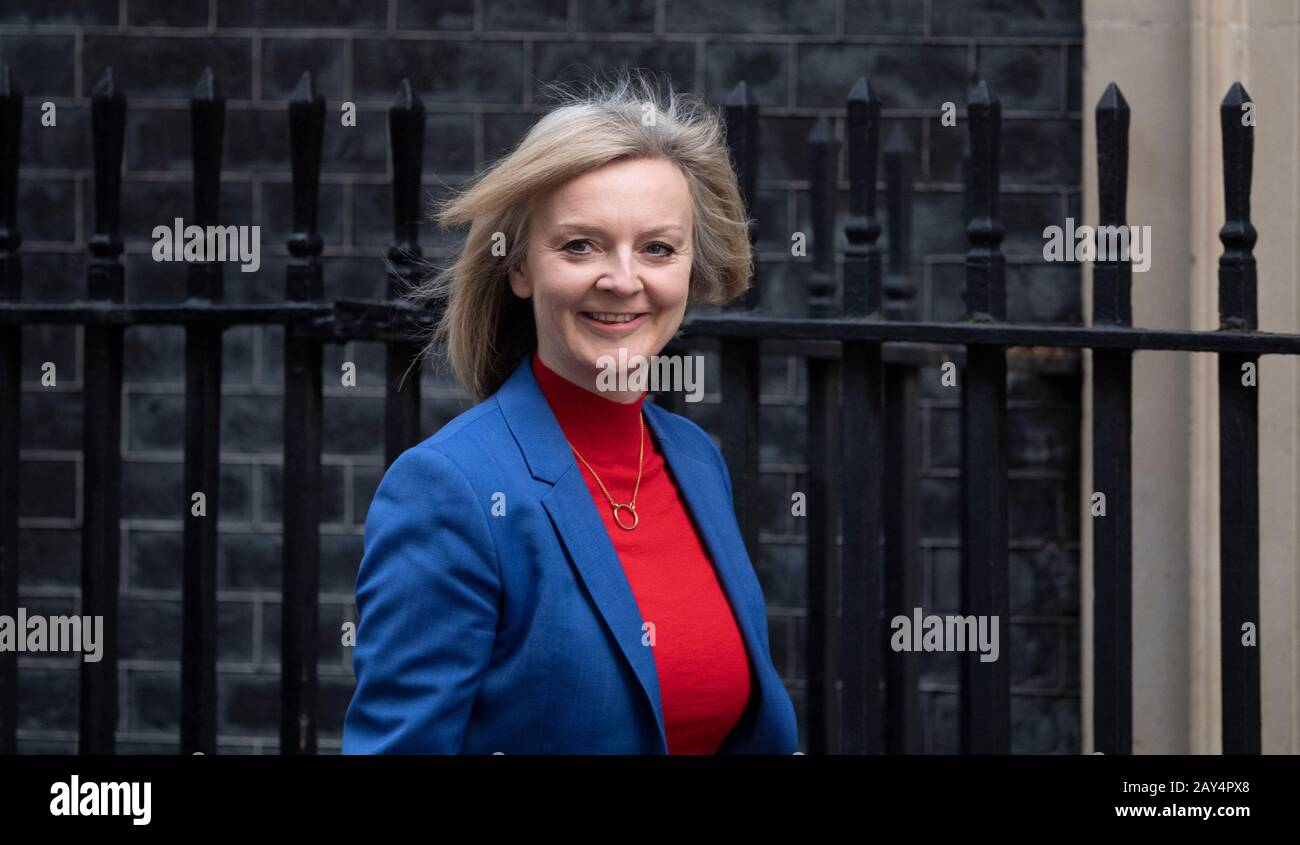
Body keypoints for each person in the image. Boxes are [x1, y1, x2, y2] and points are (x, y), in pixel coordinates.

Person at [341, 71, 798, 754]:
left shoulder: (696, 460)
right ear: (520, 268)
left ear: (689, 267)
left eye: (657, 247)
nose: (622, 279)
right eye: (579, 245)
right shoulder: (449, 489)